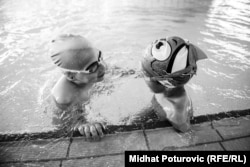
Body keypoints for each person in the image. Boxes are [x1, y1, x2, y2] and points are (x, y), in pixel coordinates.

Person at [141, 36, 207, 132]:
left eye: (146, 75)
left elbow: (184, 128)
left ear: (165, 82)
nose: (144, 77)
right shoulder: (172, 85)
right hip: (158, 107)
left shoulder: (175, 112)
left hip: (162, 113)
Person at [49, 34, 106, 140]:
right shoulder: (65, 98)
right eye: (92, 68)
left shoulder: (92, 70)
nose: (103, 68)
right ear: (71, 76)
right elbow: (66, 125)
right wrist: (83, 124)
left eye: (100, 59)